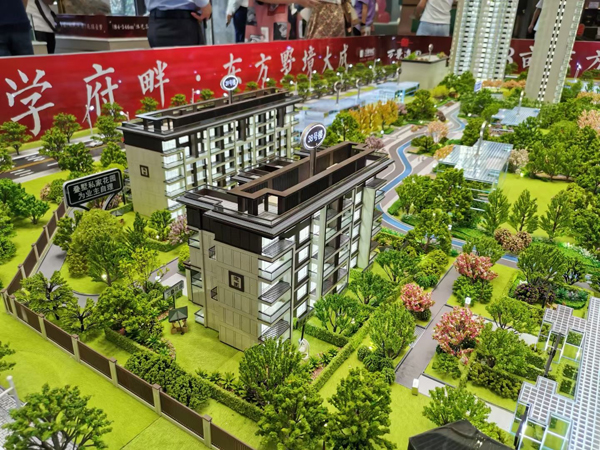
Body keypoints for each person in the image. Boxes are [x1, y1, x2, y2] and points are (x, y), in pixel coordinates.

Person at [145, 0, 212, 48]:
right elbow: (204, 8)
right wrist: (204, 4)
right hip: (184, 23)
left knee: (163, 60)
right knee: (189, 62)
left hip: (157, 22)